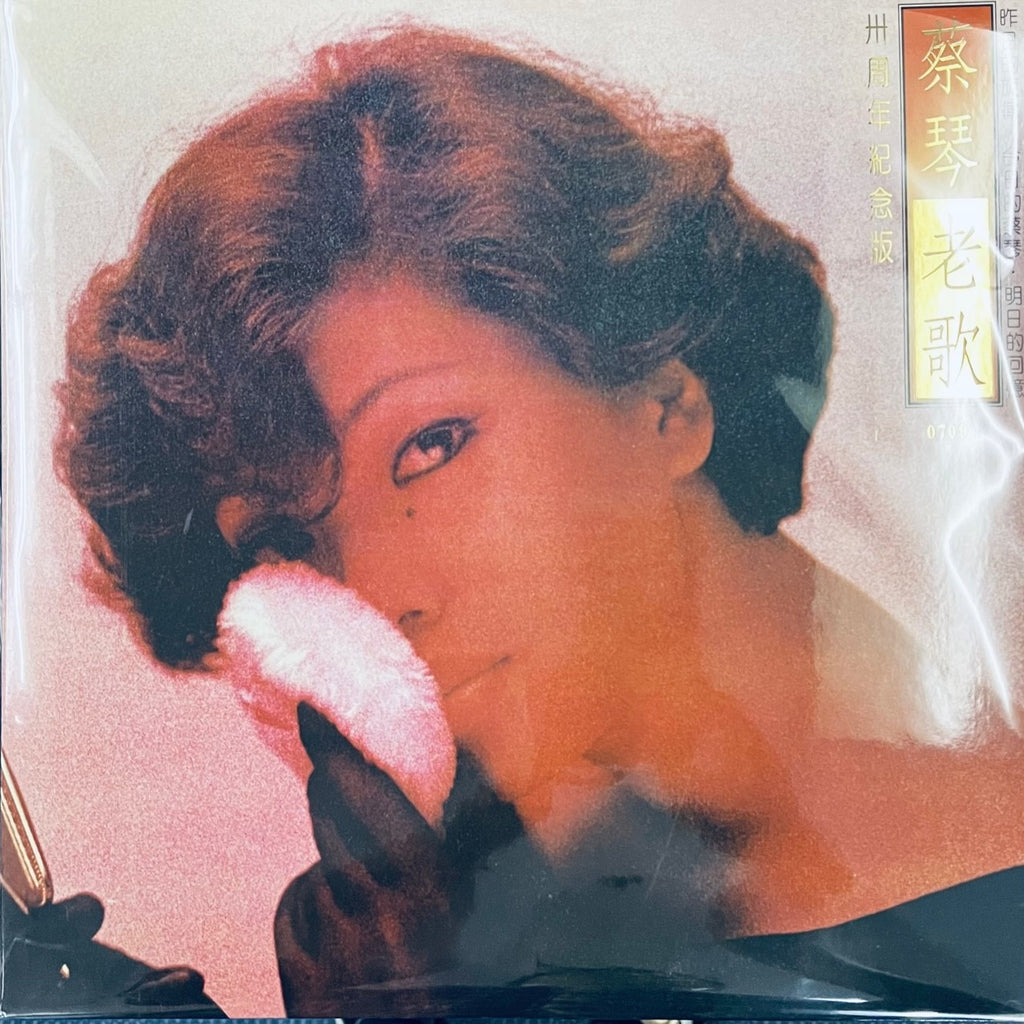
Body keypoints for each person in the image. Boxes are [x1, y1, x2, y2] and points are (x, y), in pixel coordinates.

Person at [56, 25, 1023, 1017]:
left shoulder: (978, 894)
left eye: (430, 444)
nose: (380, 598)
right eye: (289, 542)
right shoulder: (457, 910)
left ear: (664, 401)